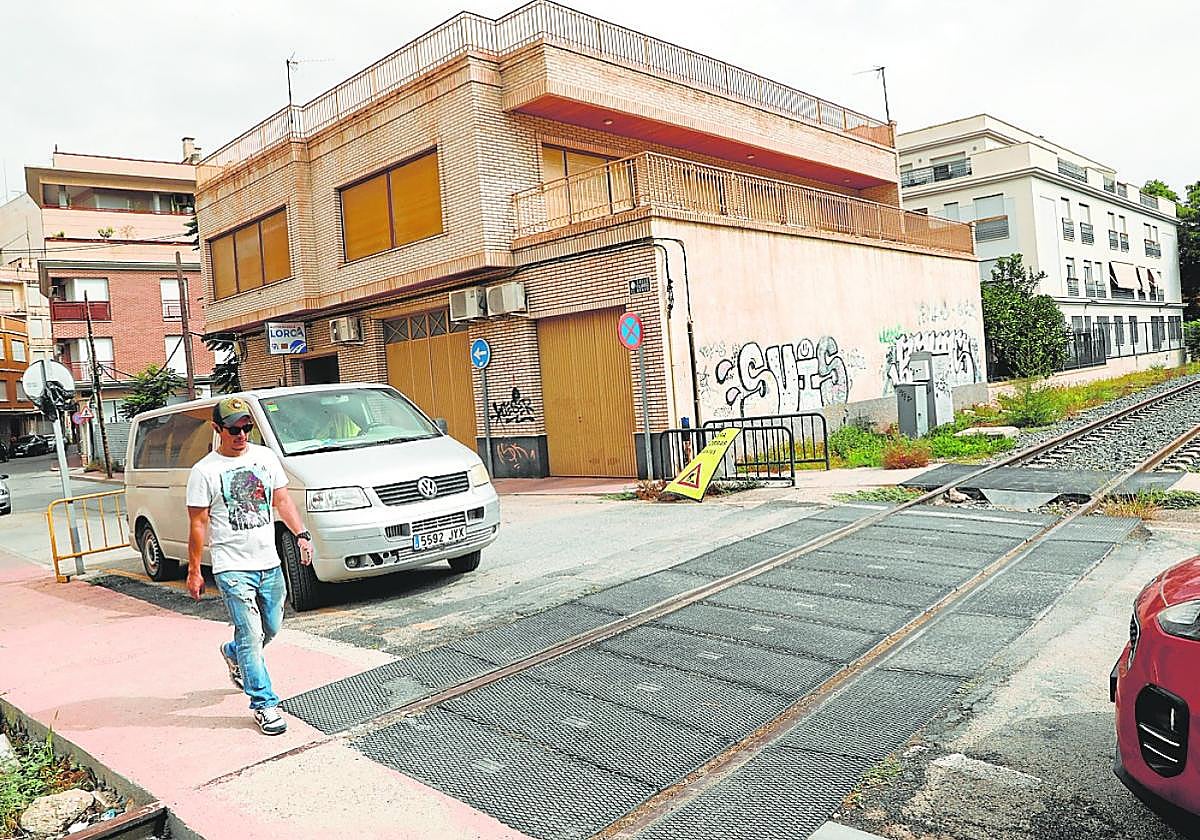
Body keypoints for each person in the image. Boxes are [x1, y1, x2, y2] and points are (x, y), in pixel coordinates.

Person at [185, 396, 314, 735]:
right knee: (252, 634)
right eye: (233, 430)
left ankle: (233, 653)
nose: (241, 435)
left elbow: (282, 501)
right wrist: (194, 571)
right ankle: (264, 704)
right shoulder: (204, 472)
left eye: (246, 428)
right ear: (217, 429)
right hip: (231, 567)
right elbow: (198, 524)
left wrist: (301, 534)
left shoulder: (265, 458)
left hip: (268, 562)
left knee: (270, 628)